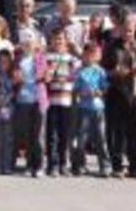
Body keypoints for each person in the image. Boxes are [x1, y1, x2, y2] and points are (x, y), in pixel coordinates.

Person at [101, 12, 136, 179]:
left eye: (131, 31)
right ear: (120, 29)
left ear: (135, 31)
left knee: (134, 132)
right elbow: (102, 69)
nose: (128, 33)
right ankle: (117, 166)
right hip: (116, 92)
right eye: (125, 30)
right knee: (116, 132)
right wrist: (114, 72)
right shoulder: (111, 46)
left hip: (134, 93)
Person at [45, 27, 79, 177]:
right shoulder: (47, 57)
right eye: (56, 39)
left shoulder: (71, 59)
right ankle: (52, 165)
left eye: (61, 39)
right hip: (51, 100)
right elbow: (44, 77)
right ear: (51, 41)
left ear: (66, 41)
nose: (59, 41)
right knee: (52, 134)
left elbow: (75, 77)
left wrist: (66, 77)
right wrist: (50, 72)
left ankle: (64, 164)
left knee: (65, 134)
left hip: (66, 100)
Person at [72, 43, 110, 177]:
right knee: (81, 138)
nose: (90, 57)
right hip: (83, 108)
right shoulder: (79, 71)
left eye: (94, 54)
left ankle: (104, 166)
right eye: (88, 54)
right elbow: (75, 89)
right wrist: (82, 93)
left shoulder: (100, 71)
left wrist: (98, 92)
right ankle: (81, 165)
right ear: (84, 55)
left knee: (101, 138)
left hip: (98, 108)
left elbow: (105, 88)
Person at [13, 38, 48, 178]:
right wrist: (16, 78)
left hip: (38, 100)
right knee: (27, 135)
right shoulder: (18, 60)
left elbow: (44, 76)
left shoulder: (40, 58)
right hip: (23, 99)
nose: (27, 45)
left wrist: (43, 75)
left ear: (35, 45)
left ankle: (39, 166)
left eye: (30, 43)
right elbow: (14, 78)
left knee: (38, 135)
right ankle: (28, 165)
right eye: (25, 43)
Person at [0, 49, 16, 175]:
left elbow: (14, 91)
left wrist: (6, 100)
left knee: (8, 140)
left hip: (9, 111)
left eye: (6, 62)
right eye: (1, 62)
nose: (3, 64)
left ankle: (7, 165)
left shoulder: (12, 75)